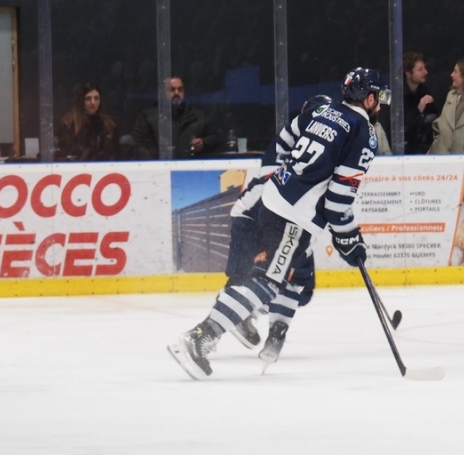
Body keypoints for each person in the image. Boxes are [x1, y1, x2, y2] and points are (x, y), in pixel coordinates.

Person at [167, 68, 390, 379]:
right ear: (369, 98)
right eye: (380, 98)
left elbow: (290, 137)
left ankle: (269, 329)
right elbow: (338, 200)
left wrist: (344, 235)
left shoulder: (324, 110)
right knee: (268, 281)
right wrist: (349, 237)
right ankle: (201, 336)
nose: (381, 106)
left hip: (273, 198)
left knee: (285, 272)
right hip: (293, 215)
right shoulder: (364, 133)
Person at [223, 94, 333, 350]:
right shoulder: (286, 143)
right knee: (249, 278)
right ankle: (221, 324)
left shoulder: (321, 145)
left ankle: (257, 317)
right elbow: (274, 191)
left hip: (287, 221)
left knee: (301, 285)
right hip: (256, 218)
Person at [130, 77, 220, 159]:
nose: (177, 93)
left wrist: (204, 143)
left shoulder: (197, 115)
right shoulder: (148, 116)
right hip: (159, 171)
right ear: (162, 93)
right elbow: (137, 144)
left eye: (180, 89)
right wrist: (152, 157)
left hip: (190, 170)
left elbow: (215, 138)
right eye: (171, 89)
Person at [55, 83, 119, 161]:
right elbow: (64, 153)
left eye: (96, 98)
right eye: (88, 98)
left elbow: (113, 154)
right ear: (81, 101)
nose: (93, 102)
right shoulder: (68, 123)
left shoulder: (109, 126)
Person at [402, 52, 440, 154]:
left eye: (424, 68)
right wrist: (418, 109)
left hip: (424, 149)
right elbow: (399, 128)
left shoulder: (424, 91)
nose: (425, 72)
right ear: (408, 73)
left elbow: (435, 116)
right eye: (420, 69)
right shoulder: (397, 95)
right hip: (403, 152)